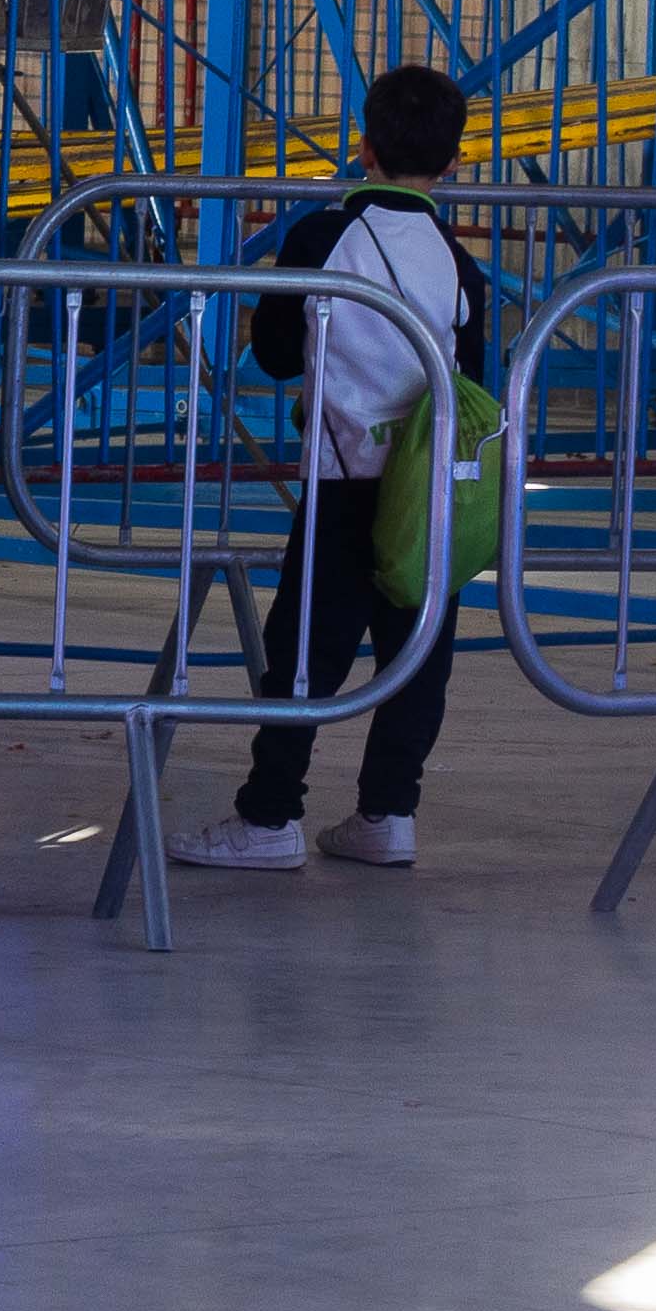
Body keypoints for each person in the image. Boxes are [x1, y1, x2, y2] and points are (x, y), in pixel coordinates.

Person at [176, 63, 482, 878]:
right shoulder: (460, 264)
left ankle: (270, 814)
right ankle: (389, 812)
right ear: (453, 163)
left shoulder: (317, 238)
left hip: (342, 477)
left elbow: (277, 356)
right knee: (415, 652)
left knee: (304, 651)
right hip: (428, 491)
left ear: (364, 147)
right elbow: (473, 381)